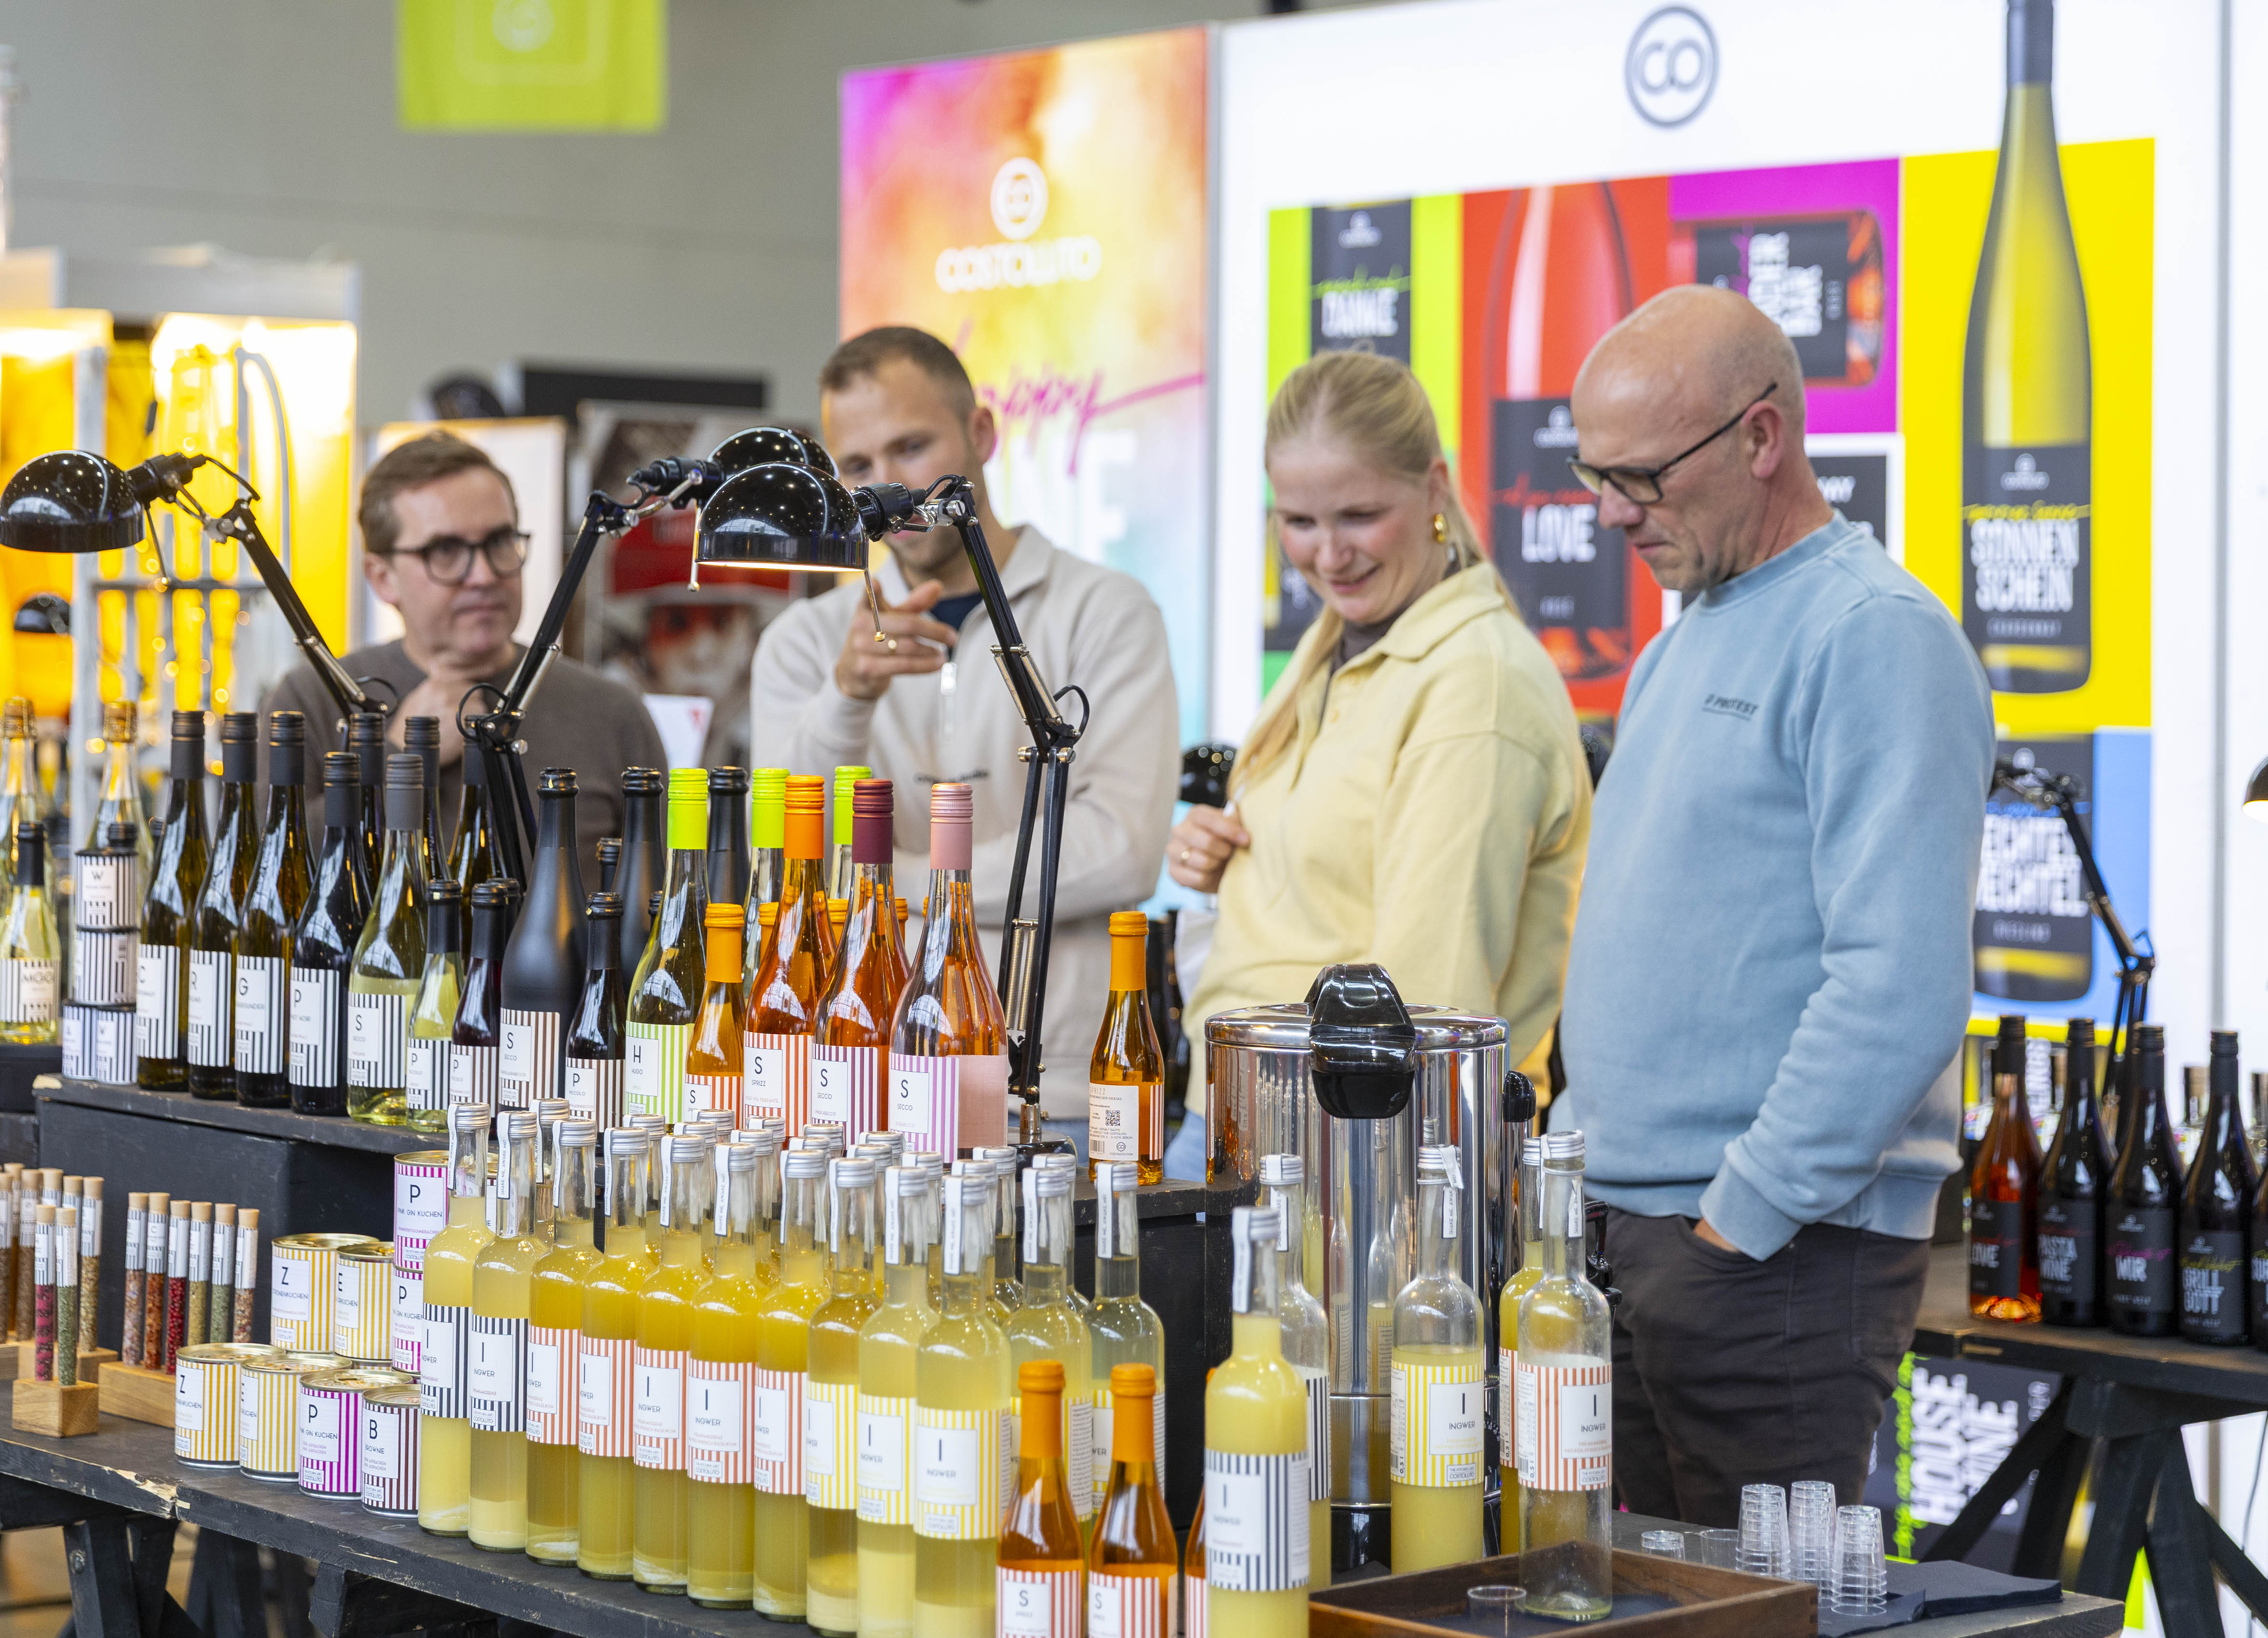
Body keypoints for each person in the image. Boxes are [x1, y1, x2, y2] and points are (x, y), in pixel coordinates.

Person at [1551, 286, 1993, 1524]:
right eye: (1594, 475)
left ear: (1760, 436)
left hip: (1770, 1255)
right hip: (1638, 1237)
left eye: (1640, 477)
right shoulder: (1678, 641)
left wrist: (1739, 1218)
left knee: (1758, 1605)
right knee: (1636, 1600)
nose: (1611, 512)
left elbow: (1898, 984)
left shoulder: (1874, 636)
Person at [747, 327, 1178, 1146]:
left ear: (980, 432)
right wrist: (845, 698)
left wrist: (902, 889)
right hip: (864, 1076)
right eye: (858, 463)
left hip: (1054, 1090)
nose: (888, 485)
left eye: (911, 447)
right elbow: (788, 861)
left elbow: (1120, 848)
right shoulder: (804, 643)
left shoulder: (1104, 611)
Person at [1167, 349, 1591, 1180]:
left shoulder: (1473, 684)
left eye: (1358, 515)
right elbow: (1341, 876)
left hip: (1340, 1148)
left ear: (1434, 489)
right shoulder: (1342, 640)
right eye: (1297, 520)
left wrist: (1377, 1207)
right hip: (1242, 1114)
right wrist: (1235, 864)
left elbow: (1429, 1005)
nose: (1327, 555)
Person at [262, 432, 667, 877]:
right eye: (446, 551)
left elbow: (661, 899)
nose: (484, 575)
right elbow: (271, 877)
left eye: (499, 542)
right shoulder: (312, 701)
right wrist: (403, 760)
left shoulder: (611, 714)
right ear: (382, 577)